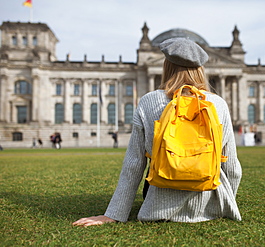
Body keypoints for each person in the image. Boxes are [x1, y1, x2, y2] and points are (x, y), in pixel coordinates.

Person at [73, 38, 242, 227]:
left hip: (157, 207)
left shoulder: (148, 101)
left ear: (166, 66)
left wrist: (114, 214)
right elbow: (232, 168)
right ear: (200, 69)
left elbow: (134, 164)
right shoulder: (218, 104)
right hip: (211, 207)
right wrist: (228, 204)